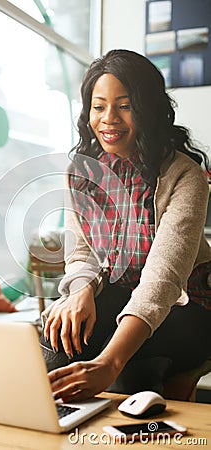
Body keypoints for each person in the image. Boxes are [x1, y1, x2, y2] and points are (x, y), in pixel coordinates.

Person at [40, 49, 211, 402]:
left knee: (127, 370)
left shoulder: (186, 177)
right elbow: (82, 249)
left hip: (186, 304)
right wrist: (81, 292)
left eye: (124, 105)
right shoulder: (83, 172)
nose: (108, 119)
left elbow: (162, 279)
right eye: (98, 106)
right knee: (57, 345)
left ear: (147, 108)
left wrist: (109, 362)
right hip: (119, 291)